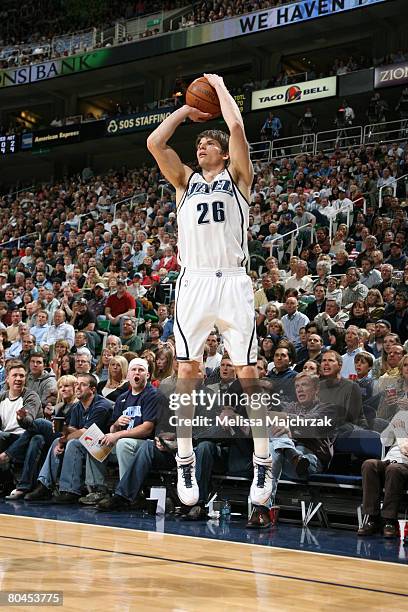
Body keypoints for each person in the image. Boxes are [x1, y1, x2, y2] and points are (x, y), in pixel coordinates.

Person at [147, 72, 272, 507]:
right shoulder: (184, 181)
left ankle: (262, 461)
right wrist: (186, 109)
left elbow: (237, 127)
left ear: (222, 152)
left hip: (234, 280)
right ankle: (184, 459)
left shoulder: (239, 178)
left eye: (207, 143)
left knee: (249, 374)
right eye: (198, 144)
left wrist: (219, 89)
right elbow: (155, 144)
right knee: (186, 372)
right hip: (195, 280)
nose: (200, 147)